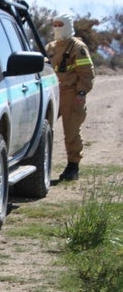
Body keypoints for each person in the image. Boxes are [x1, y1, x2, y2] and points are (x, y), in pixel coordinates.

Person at [45, 12, 95, 181]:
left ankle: (73, 166)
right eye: (55, 25)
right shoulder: (50, 47)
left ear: (68, 26)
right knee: (42, 129)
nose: (58, 28)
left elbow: (86, 72)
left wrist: (81, 92)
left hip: (71, 92)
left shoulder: (77, 47)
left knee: (71, 131)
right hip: (52, 92)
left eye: (61, 25)